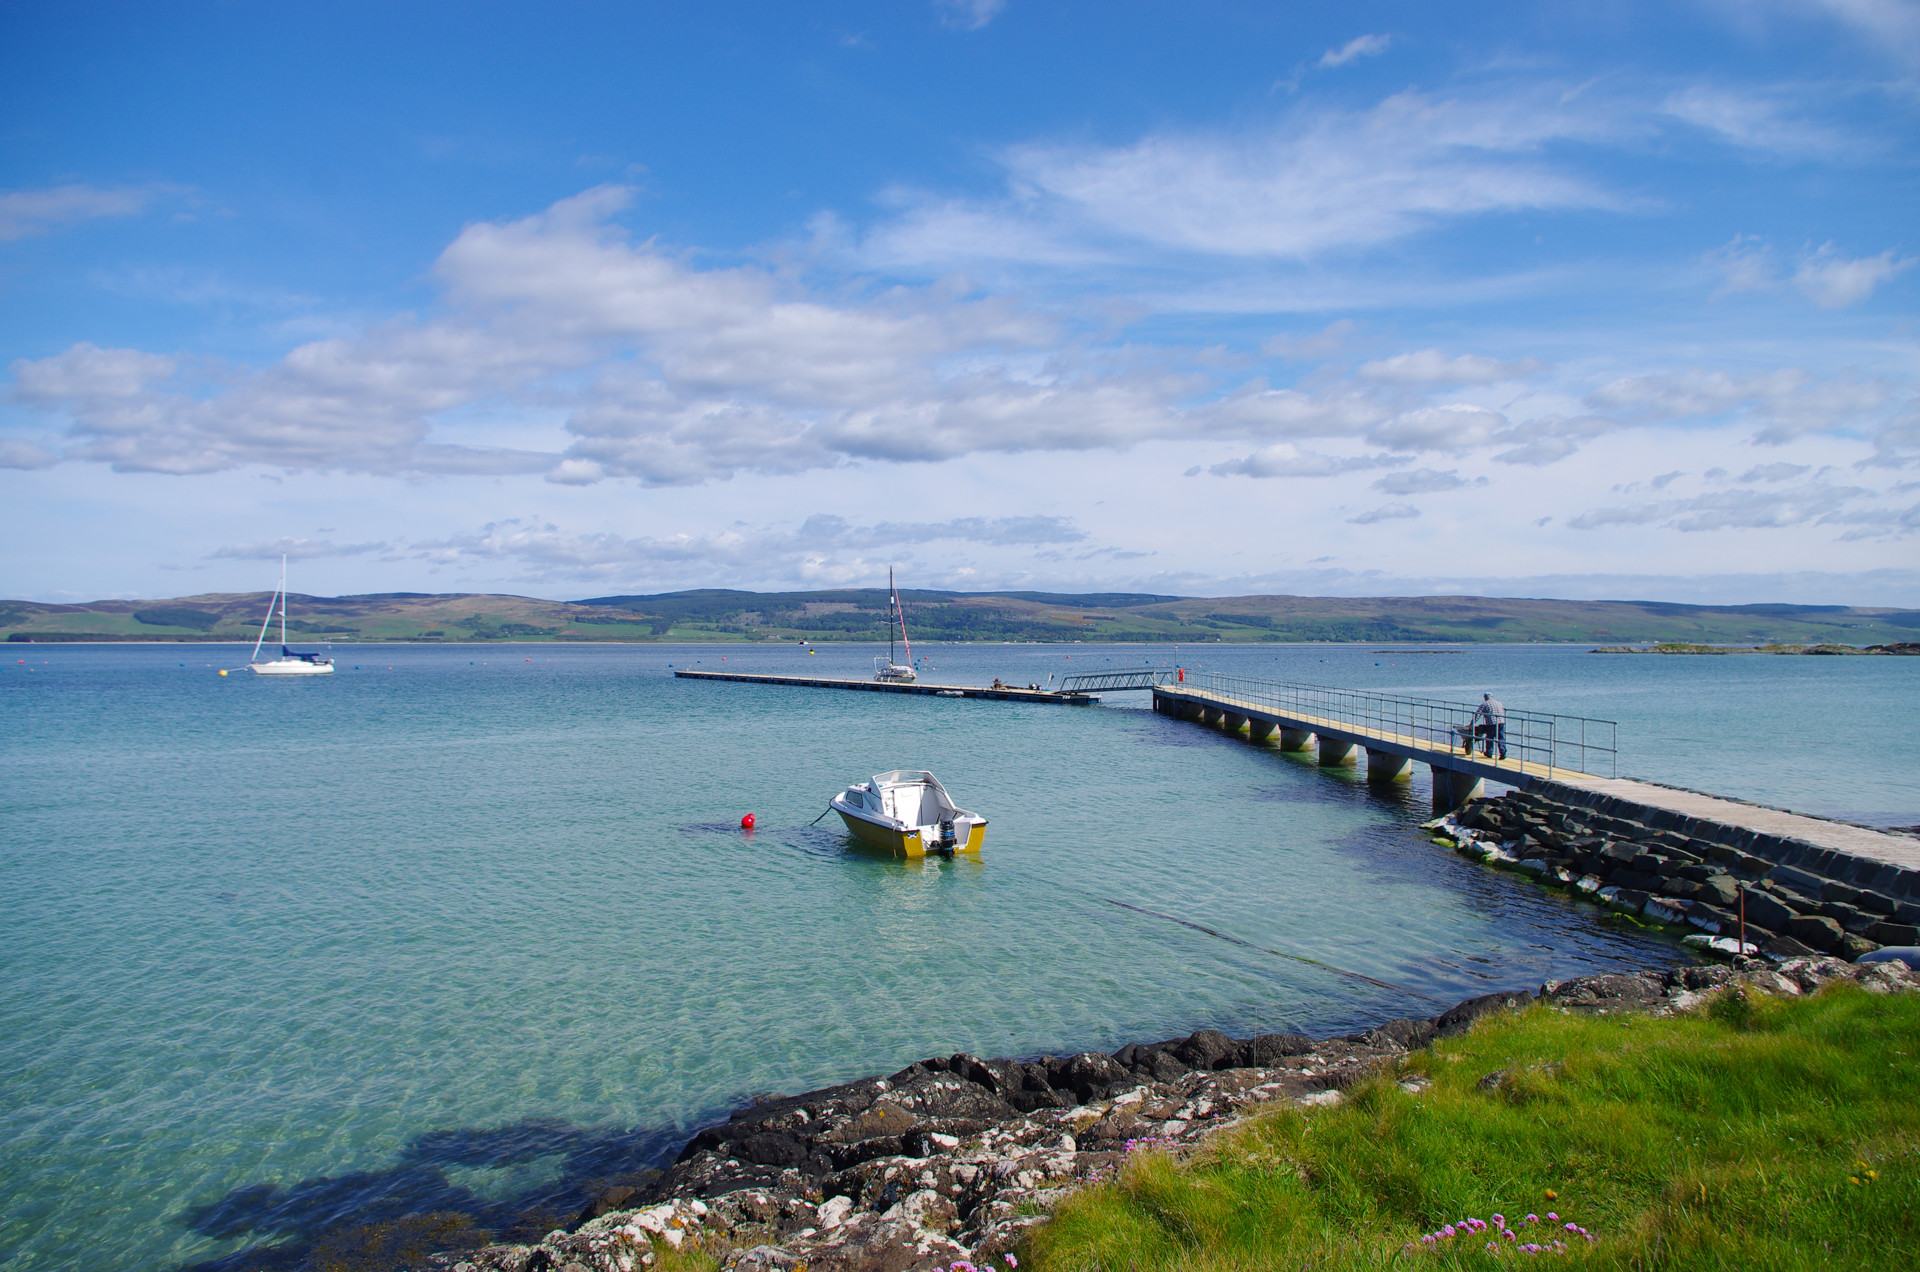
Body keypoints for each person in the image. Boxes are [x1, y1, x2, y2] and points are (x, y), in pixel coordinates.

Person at [1471, 693, 1507, 760]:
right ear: (1492, 697)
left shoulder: (1484, 704)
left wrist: (1472, 723)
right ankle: (1503, 753)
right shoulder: (1499, 703)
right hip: (1501, 722)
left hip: (1492, 723)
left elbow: (1477, 714)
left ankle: (1489, 753)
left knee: (1489, 738)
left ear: (1484, 697)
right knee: (1501, 738)